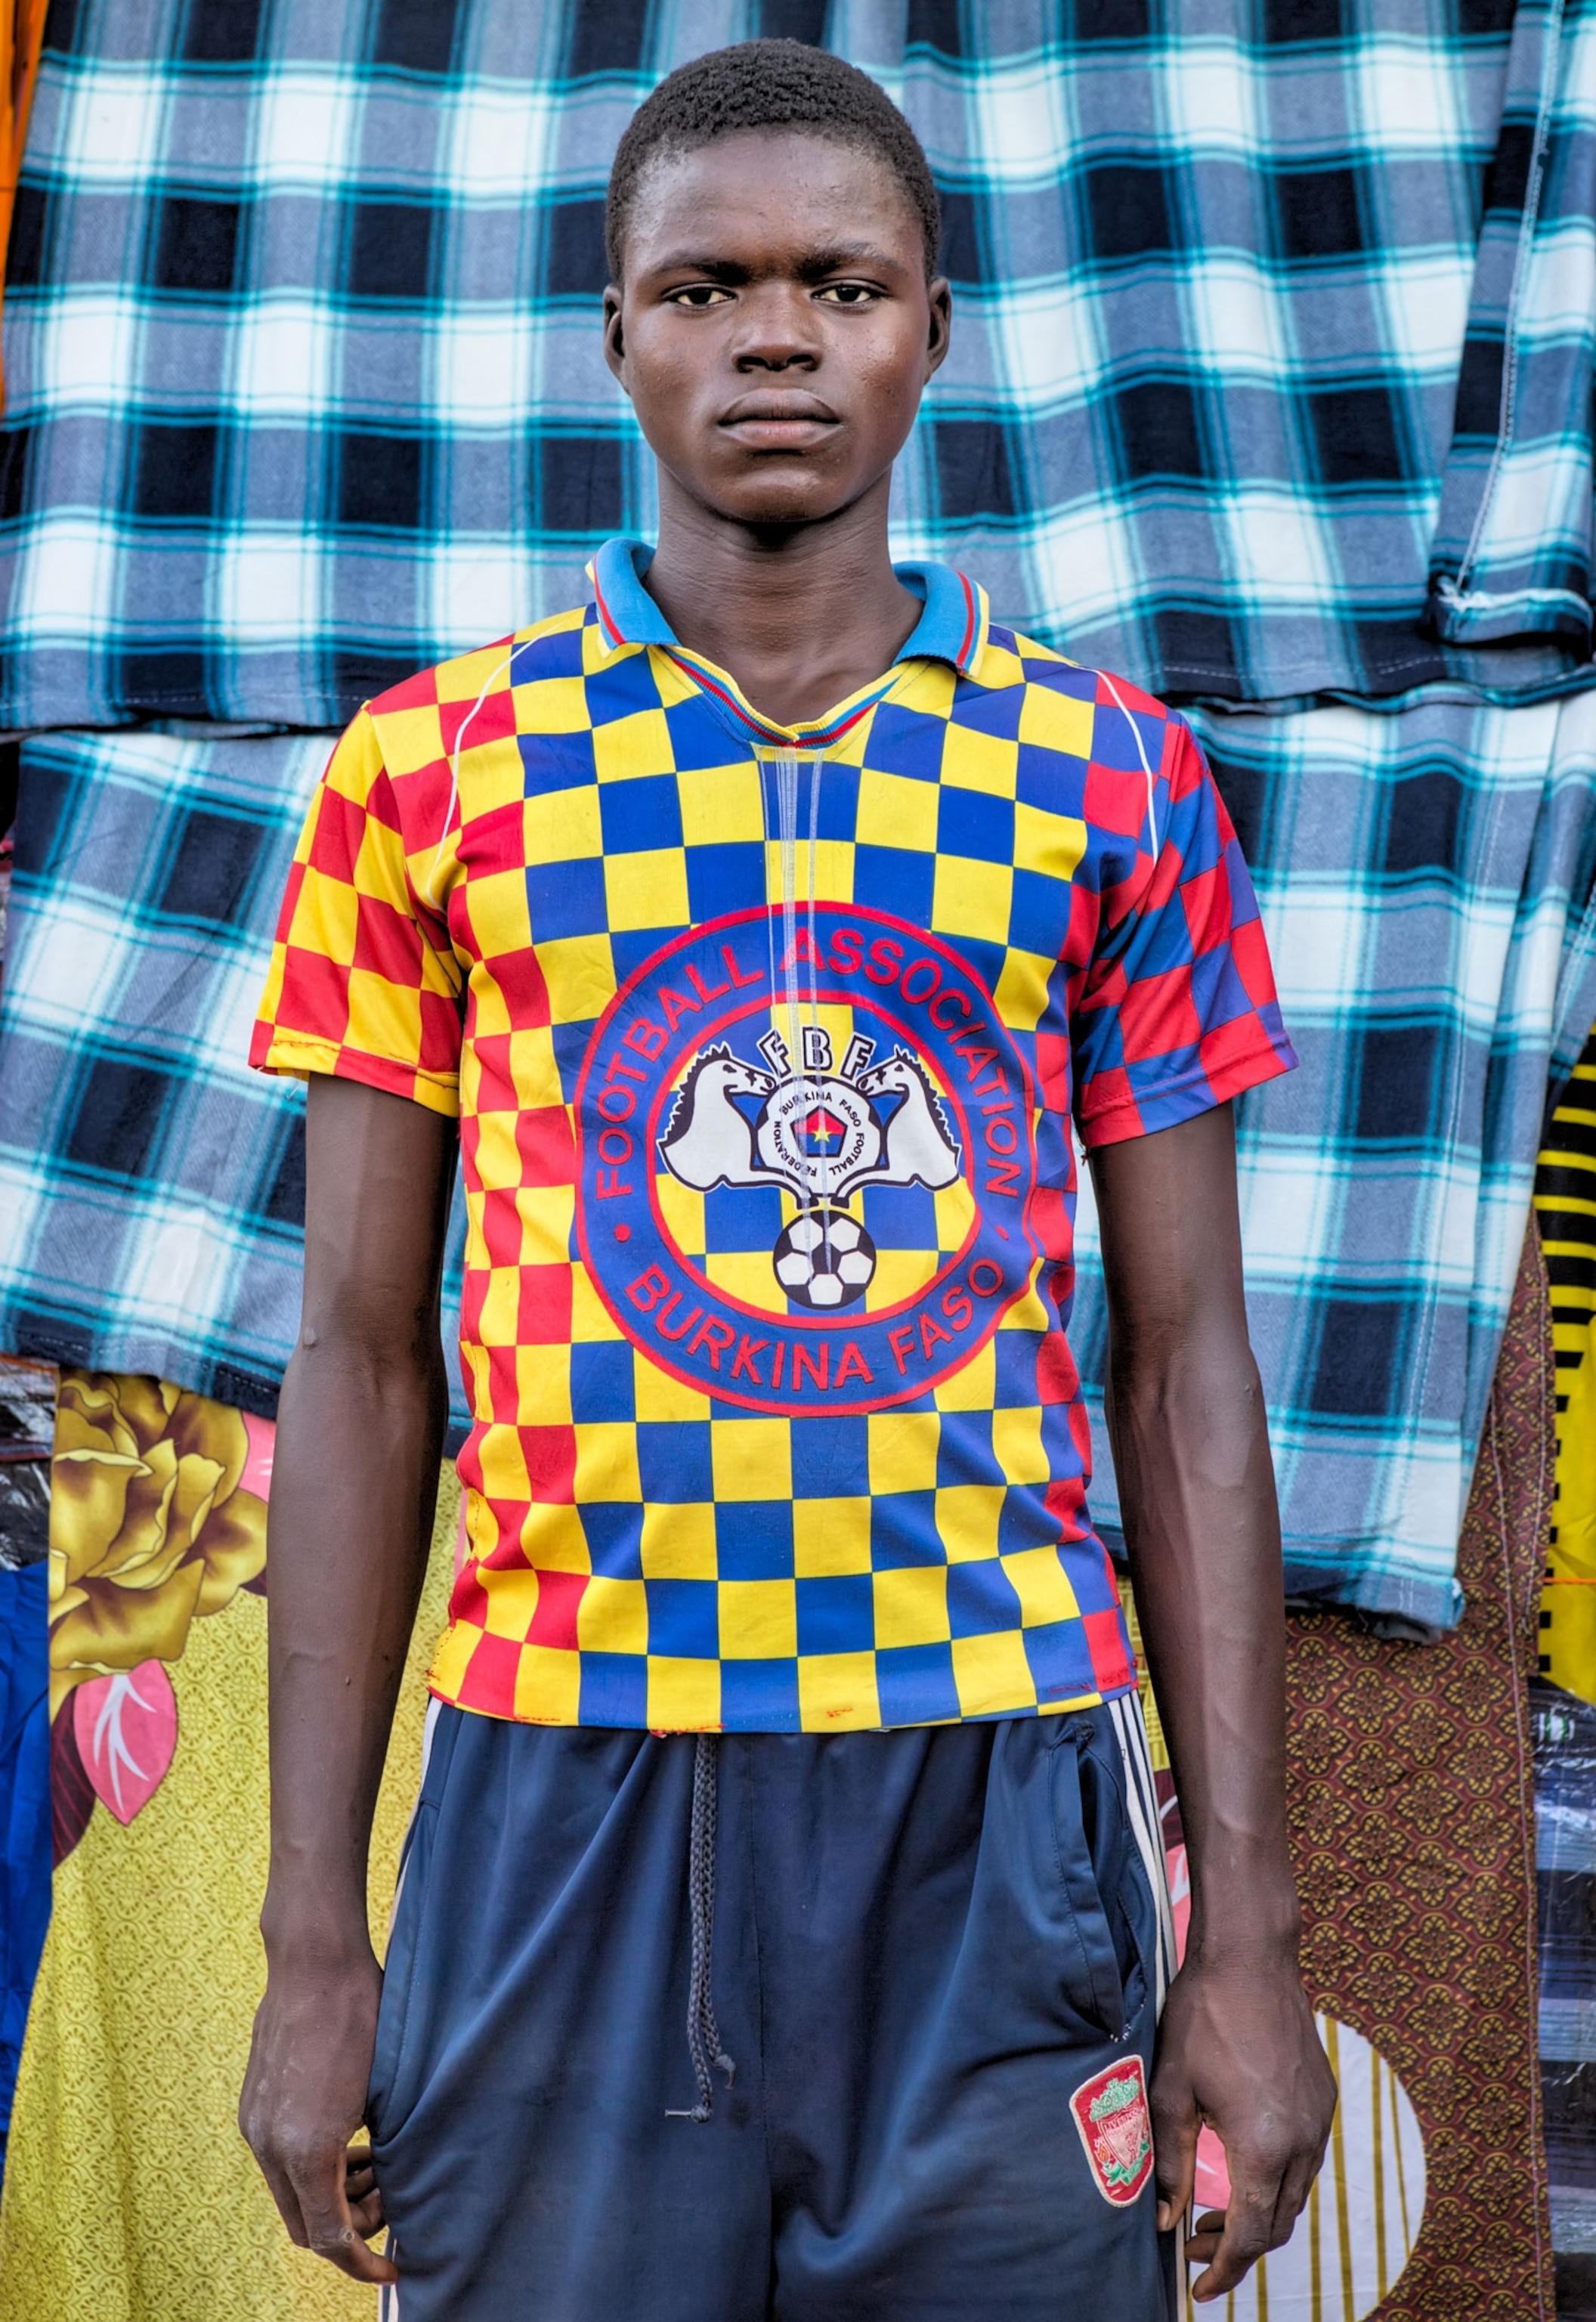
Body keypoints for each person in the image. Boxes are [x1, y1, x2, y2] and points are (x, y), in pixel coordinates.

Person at [240, 39, 1335, 2322]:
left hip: (1000, 1794)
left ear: (934, 328)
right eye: (705, 283)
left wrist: (1253, 1934)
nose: (772, 333)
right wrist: (312, 1933)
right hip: (569, 1785)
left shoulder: (1109, 775)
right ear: (613, 330)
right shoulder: (431, 773)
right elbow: (353, 1360)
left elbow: (1189, 1359)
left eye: (840, 284)